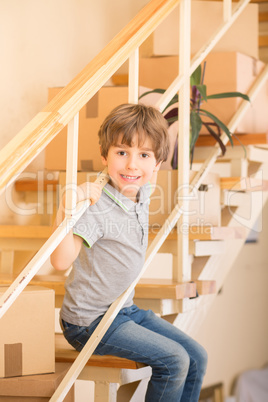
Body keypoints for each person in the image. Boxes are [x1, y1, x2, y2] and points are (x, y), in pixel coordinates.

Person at [51, 103, 207, 401]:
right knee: (175, 361)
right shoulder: (96, 207)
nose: (132, 165)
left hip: (125, 309)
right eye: (121, 152)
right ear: (104, 157)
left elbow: (149, 153)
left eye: (144, 155)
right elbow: (60, 261)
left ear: (157, 164)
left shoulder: (142, 190)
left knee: (197, 356)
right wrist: (65, 208)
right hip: (90, 321)